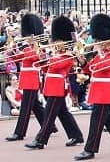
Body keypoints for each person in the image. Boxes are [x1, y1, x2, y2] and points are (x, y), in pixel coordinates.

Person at [74, 14, 110, 160]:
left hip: (105, 92)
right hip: (98, 91)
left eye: (99, 40)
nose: (96, 42)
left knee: (96, 121)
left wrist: (99, 53)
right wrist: (82, 62)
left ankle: (90, 149)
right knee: (108, 119)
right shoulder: (101, 54)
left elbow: (103, 67)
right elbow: (91, 68)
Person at [25, 16, 84, 150]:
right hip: (51, 86)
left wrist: (48, 56)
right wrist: (42, 57)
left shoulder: (69, 55)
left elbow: (57, 65)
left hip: (58, 87)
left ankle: (40, 140)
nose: (56, 43)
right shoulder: (55, 54)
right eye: (56, 40)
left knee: (49, 114)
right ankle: (76, 135)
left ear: (65, 42)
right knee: (63, 113)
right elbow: (47, 68)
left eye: (59, 41)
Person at [5, 14, 48, 142]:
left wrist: (24, 48)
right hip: (26, 78)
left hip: (32, 79)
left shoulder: (39, 47)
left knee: (25, 108)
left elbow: (33, 57)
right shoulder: (28, 47)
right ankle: (50, 126)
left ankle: (19, 132)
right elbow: (21, 58)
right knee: (36, 106)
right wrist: (12, 52)